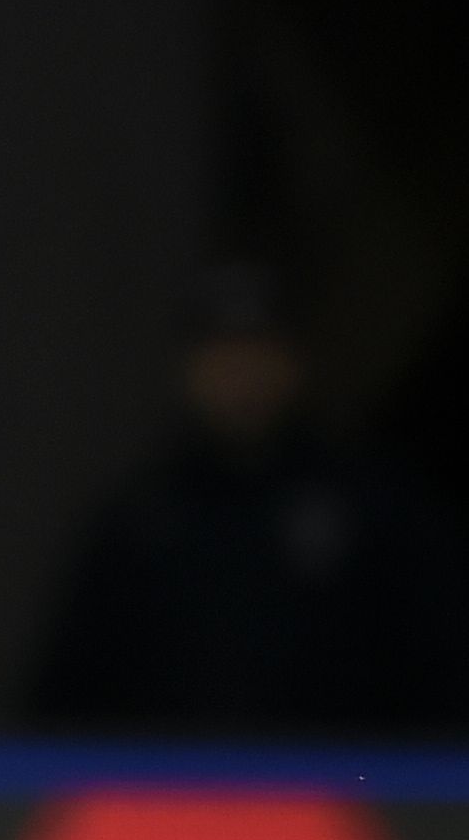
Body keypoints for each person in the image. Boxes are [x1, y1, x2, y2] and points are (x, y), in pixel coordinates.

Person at [30, 280, 469, 733]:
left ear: (296, 362)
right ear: (188, 368)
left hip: (339, 787)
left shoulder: (375, 506)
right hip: (172, 789)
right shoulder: (140, 515)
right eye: (222, 355)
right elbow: (65, 690)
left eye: (259, 351)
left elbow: (440, 665)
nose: (240, 374)